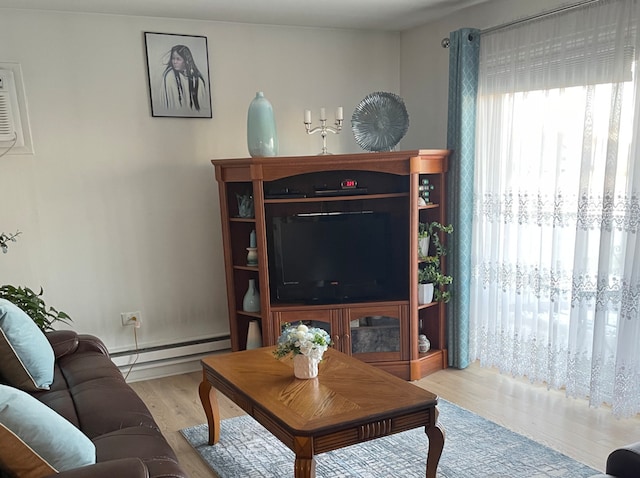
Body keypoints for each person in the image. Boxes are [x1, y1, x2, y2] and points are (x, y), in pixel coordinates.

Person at [161, 45, 207, 112]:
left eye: (178, 59)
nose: (175, 62)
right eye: (173, 58)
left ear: (186, 61)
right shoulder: (170, 76)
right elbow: (173, 106)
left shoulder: (197, 79)